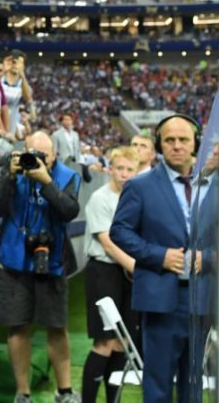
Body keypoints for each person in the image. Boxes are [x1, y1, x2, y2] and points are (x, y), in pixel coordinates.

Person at [111, 115, 214, 403]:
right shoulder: (140, 186)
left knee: (194, 383)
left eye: (183, 139)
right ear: (159, 145)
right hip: (160, 297)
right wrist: (159, 256)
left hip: (203, 297)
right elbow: (119, 231)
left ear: (195, 143)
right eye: (169, 140)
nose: (177, 146)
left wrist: (208, 258)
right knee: (157, 384)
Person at [0, 131, 81, 403]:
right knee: (18, 327)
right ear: (23, 152)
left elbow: (69, 211)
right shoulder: (14, 171)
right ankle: (23, 393)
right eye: (33, 154)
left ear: (55, 155)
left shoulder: (67, 176)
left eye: (45, 156)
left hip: (51, 261)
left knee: (57, 326)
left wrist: (47, 182)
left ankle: (64, 391)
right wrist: (9, 176)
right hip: (13, 263)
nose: (39, 160)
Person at [81, 146, 139, 403]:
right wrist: (137, 267)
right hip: (104, 272)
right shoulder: (100, 198)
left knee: (122, 342)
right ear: (110, 170)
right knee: (104, 341)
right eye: (120, 168)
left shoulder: (134, 198)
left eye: (130, 169)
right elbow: (108, 244)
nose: (124, 174)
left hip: (127, 274)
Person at [2, 52, 32, 137]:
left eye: (20, 63)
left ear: (23, 66)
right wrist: (3, 70)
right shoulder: (0, 79)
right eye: (14, 62)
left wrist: (22, 76)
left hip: (10, 128)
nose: (16, 65)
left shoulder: (24, 86)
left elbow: (28, 99)